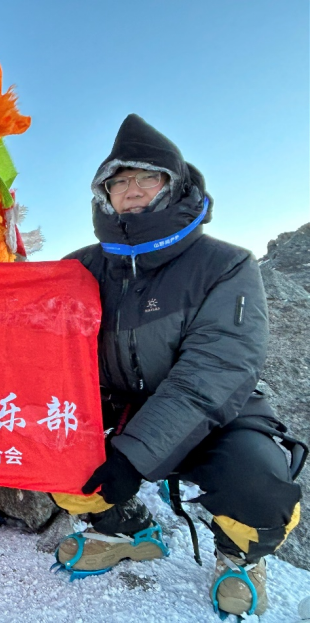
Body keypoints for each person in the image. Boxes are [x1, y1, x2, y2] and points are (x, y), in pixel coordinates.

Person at [51, 114, 304, 617]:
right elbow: (37, 337)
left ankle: (238, 559)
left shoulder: (224, 264)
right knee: (56, 459)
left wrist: (132, 455)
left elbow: (216, 370)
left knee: (260, 484)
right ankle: (129, 530)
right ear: (105, 196)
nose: (132, 190)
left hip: (218, 415)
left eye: (148, 177)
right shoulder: (79, 267)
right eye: (118, 181)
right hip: (119, 408)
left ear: (174, 185)